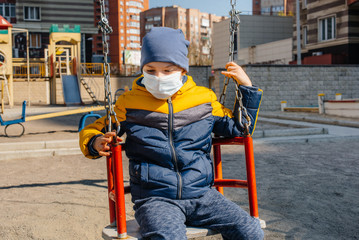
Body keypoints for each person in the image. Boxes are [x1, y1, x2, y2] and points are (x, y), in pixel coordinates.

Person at [79, 27, 263, 240]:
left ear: (183, 70)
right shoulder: (129, 104)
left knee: (250, 230)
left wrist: (246, 88)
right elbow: (94, 129)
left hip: (203, 194)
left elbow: (240, 127)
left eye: (167, 71)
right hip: (155, 198)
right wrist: (94, 142)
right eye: (150, 70)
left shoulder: (203, 100)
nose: (158, 77)